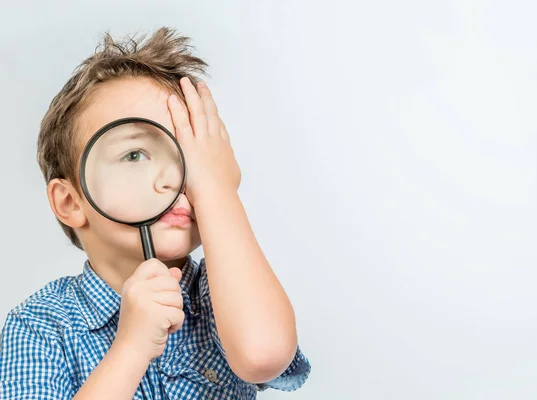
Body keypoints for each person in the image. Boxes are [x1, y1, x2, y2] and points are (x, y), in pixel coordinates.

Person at [0, 27, 310, 399]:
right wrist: (130, 348)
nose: (176, 178)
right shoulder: (39, 326)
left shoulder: (222, 292)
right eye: (135, 154)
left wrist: (216, 190)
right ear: (70, 202)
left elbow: (264, 355)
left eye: (191, 156)